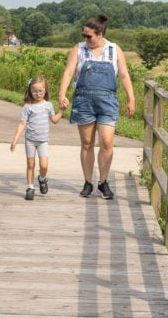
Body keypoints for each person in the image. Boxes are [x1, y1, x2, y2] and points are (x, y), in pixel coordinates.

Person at [58, 12, 135, 199]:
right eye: (83, 35)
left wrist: (131, 98)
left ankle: (103, 182)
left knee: (107, 142)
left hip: (108, 100)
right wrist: (62, 94)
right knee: (87, 143)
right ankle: (87, 182)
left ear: (100, 34)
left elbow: (124, 75)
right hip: (83, 100)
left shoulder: (114, 49)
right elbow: (69, 72)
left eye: (89, 36)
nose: (85, 39)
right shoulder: (79, 49)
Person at [10, 75, 64, 200]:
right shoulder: (27, 107)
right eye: (34, 91)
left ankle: (42, 178)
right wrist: (15, 139)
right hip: (30, 140)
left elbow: (54, 120)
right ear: (30, 91)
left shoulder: (48, 105)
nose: (37, 93)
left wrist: (61, 111)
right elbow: (22, 123)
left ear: (45, 91)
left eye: (40, 91)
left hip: (43, 141)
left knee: (44, 166)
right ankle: (30, 187)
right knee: (30, 164)